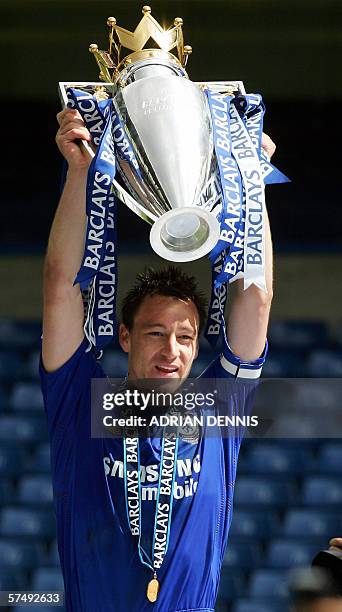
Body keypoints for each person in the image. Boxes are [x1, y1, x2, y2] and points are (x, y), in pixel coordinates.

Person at [39, 108, 275, 611]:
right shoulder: (78, 401)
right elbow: (61, 290)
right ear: (125, 336)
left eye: (186, 337)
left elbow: (255, 298)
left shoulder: (220, 409)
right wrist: (81, 173)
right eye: (155, 333)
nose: (172, 350)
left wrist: (249, 183)